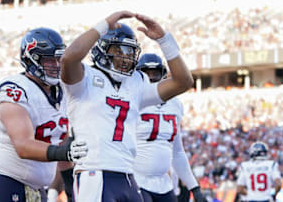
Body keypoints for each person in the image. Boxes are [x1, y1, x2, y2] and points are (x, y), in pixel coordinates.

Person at [60, 10, 194, 202]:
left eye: (130, 51)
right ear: (103, 49)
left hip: (127, 175)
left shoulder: (135, 82)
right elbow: (68, 58)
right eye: (120, 51)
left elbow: (183, 82)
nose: (126, 57)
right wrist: (103, 25)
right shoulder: (83, 79)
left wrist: (164, 40)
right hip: (94, 172)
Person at [0, 27, 88, 202]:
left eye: (58, 59)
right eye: (49, 60)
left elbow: (62, 142)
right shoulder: (14, 89)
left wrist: (69, 185)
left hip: (38, 189)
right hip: (5, 182)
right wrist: (64, 152)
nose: (57, 65)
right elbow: (23, 146)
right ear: (31, 59)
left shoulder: (62, 91)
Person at [133, 53, 207, 202]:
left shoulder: (175, 104)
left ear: (163, 75)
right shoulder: (133, 99)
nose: (151, 78)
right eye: (147, 74)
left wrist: (194, 188)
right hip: (137, 181)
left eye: (155, 73)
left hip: (164, 185)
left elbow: (177, 152)